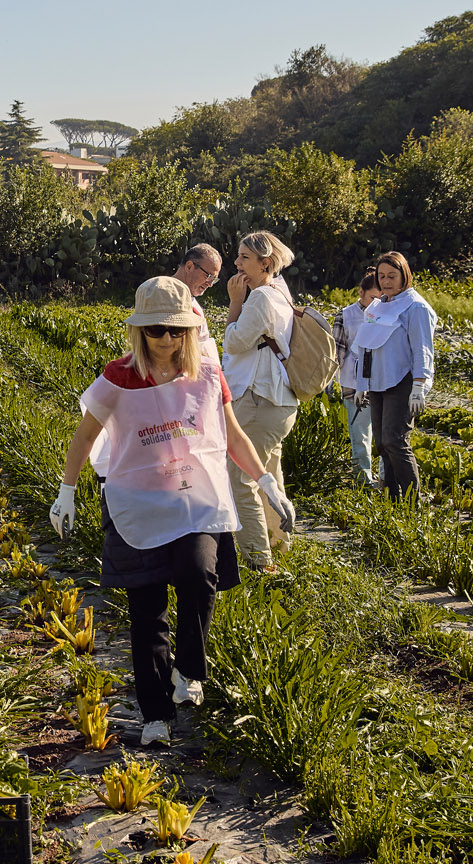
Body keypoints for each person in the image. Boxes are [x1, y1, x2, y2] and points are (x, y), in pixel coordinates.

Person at [50, 276, 295, 746]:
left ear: (189, 330)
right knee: (147, 611)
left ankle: (190, 668)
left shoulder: (207, 373)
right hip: (139, 502)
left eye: (176, 330)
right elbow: (85, 436)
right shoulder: (119, 376)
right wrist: (67, 490)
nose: (166, 338)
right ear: (140, 331)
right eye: (156, 329)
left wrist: (265, 481)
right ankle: (155, 715)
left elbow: (232, 435)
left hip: (195, 499)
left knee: (200, 573)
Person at [220, 231, 300, 571]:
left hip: (259, 399)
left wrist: (235, 303)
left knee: (241, 479)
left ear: (265, 263)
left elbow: (235, 343)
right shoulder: (281, 291)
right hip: (280, 401)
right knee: (270, 475)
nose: (237, 263)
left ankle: (258, 561)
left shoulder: (260, 299)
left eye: (244, 258)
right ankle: (279, 548)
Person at [357, 252, 435, 499]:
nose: (386, 281)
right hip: (378, 381)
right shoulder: (378, 306)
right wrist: (362, 383)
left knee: (395, 440)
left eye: (392, 275)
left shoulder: (415, 307)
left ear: (404, 276)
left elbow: (423, 348)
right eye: (382, 276)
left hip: (402, 380)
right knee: (381, 443)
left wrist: (419, 386)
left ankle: (413, 502)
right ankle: (392, 498)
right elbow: (367, 347)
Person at [334, 271, 382, 488]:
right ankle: (363, 480)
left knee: (384, 435)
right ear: (361, 292)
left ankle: (385, 479)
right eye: (373, 297)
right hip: (352, 382)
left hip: (381, 381)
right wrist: (330, 379)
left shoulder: (386, 313)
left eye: (380, 298)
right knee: (360, 433)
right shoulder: (346, 315)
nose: (377, 303)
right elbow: (337, 352)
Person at [172, 243, 223, 355]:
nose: (210, 284)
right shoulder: (162, 296)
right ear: (189, 266)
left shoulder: (194, 305)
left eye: (214, 279)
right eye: (208, 276)